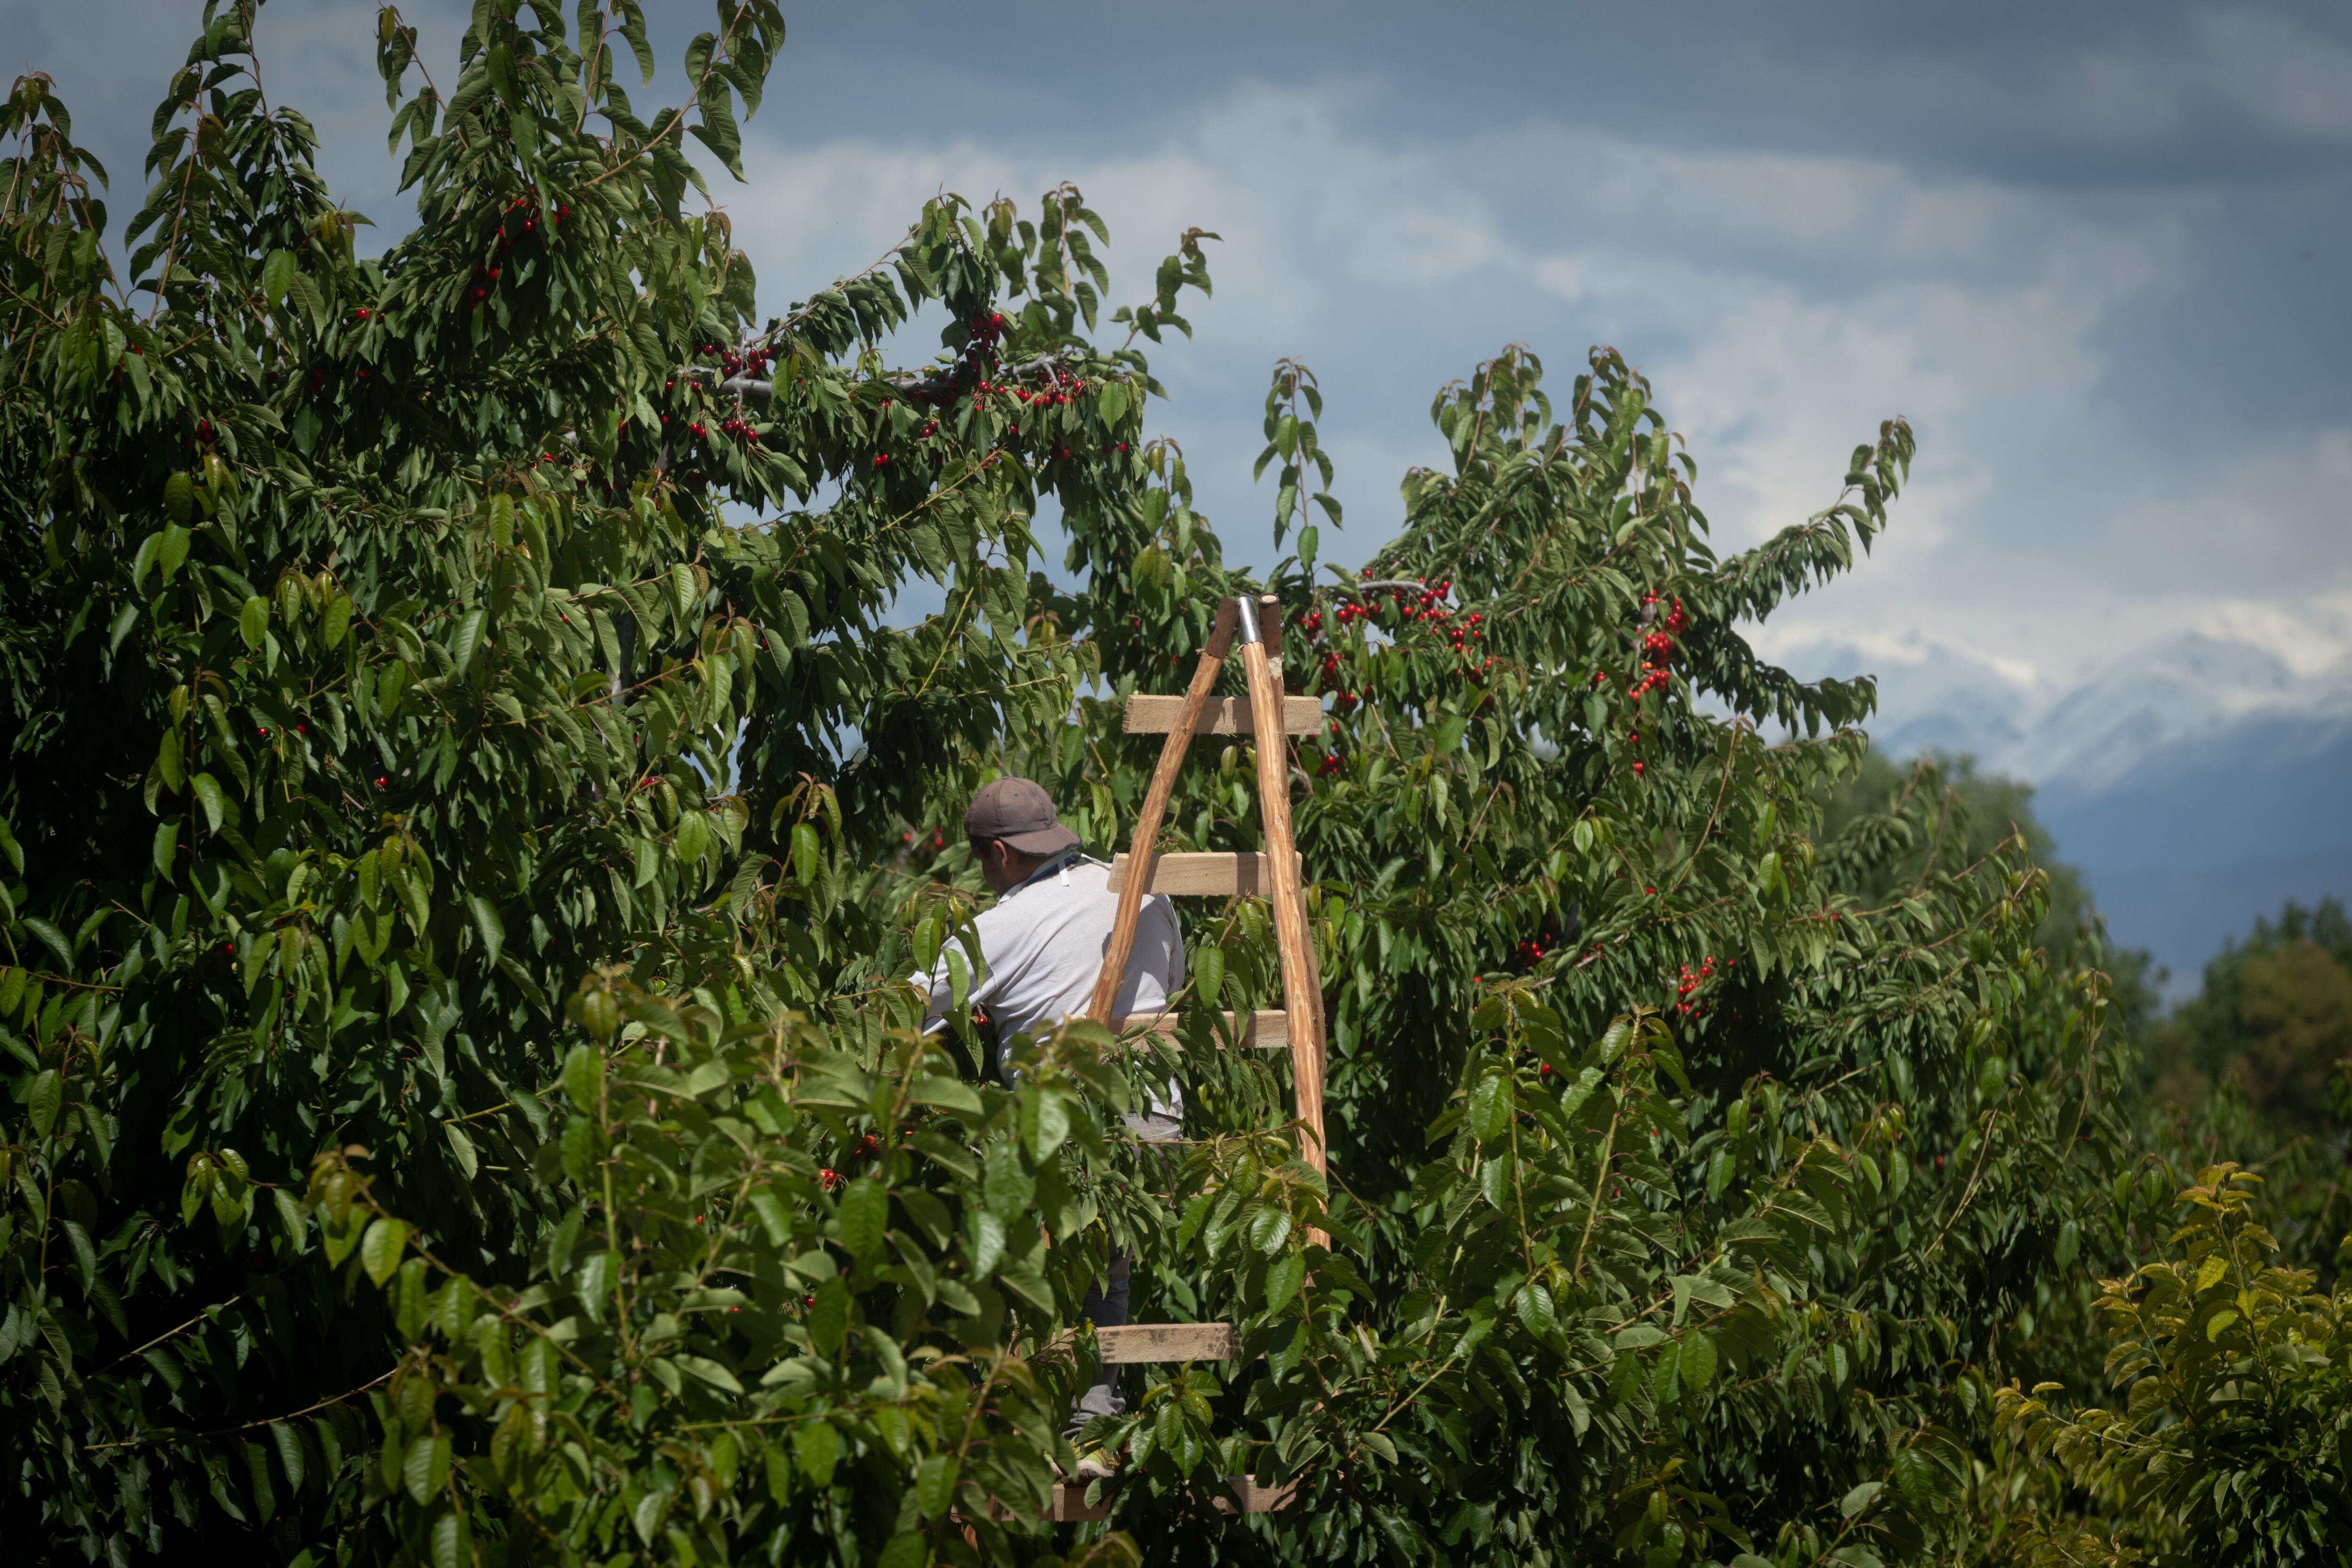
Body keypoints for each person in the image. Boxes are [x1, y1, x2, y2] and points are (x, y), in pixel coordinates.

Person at [909, 776, 1184, 1481]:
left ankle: (1008, 1436)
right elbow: (1170, 986)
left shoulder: (998, 926)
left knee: (1006, 1271)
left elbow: (906, 1011)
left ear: (998, 853)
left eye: (979, 861)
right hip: (1159, 1123)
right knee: (1107, 1271)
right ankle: (1092, 1425)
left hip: (1068, 1133)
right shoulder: (1144, 893)